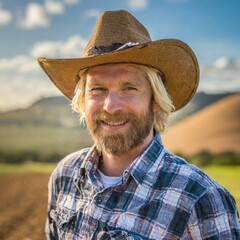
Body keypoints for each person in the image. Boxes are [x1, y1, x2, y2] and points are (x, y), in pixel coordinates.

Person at [38, 10, 240, 240]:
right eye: (98, 89)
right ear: (83, 100)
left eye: (129, 88)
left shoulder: (200, 198)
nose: (111, 107)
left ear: (155, 100)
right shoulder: (64, 175)